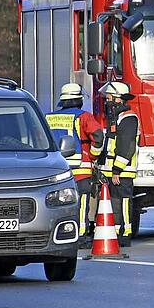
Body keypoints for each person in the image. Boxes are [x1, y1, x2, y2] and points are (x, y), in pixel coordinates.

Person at [45, 83, 104, 248]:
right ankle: (81, 236)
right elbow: (98, 136)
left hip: (58, 170)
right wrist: (93, 155)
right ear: (78, 100)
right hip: (81, 169)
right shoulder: (84, 117)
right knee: (82, 203)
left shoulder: (49, 117)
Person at [99, 82, 140, 247]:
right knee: (115, 201)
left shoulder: (128, 118)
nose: (107, 101)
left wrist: (117, 170)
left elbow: (126, 146)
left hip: (122, 172)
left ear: (118, 99)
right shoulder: (116, 118)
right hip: (112, 172)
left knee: (123, 201)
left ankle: (125, 232)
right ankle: (116, 231)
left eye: (109, 98)